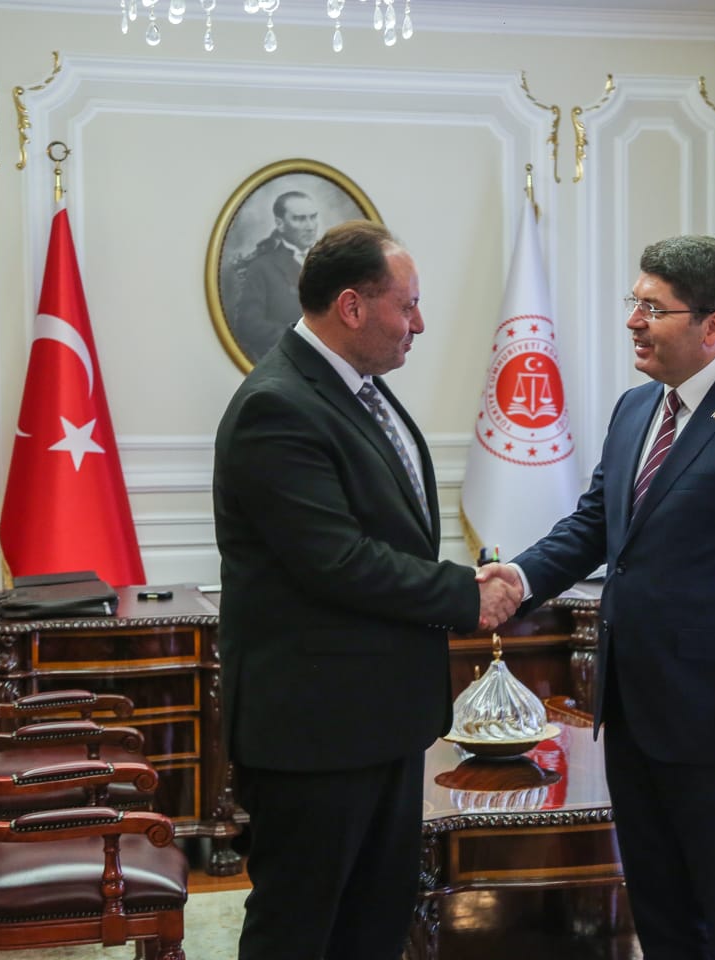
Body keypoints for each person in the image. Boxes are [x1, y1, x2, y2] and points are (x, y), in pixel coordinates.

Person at [480, 235, 715, 960]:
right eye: (634, 302)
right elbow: (593, 524)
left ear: (712, 326)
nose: (633, 321)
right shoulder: (637, 408)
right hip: (634, 710)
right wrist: (519, 578)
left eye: (653, 308)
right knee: (660, 910)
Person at [212, 219, 520, 960]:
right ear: (351, 307)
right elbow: (339, 561)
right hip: (315, 732)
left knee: (374, 925)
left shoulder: (358, 391)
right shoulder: (277, 405)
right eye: (406, 305)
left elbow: (390, 537)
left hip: (378, 721)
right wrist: (465, 594)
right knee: (300, 929)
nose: (420, 323)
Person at [232, 191, 321, 361]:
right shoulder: (262, 267)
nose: (310, 226)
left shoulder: (333, 261)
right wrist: (301, 339)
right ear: (280, 224)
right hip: (288, 360)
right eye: (300, 219)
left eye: (313, 217)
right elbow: (249, 325)